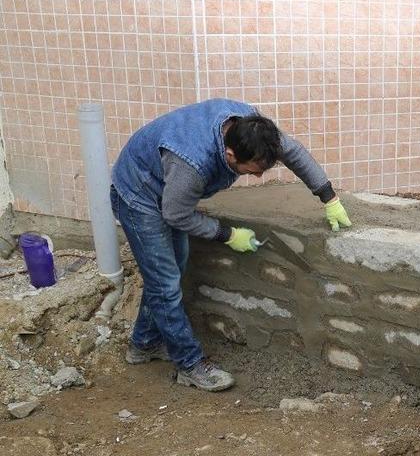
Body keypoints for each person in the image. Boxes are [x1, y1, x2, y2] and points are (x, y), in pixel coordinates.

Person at [110, 98, 352, 392]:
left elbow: (294, 152)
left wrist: (329, 197)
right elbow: (176, 215)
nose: (259, 176)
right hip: (140, 195)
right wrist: (226, 234)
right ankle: (189, 365)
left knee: (171, 271)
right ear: (229, 155)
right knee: (165, 283)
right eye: (252, 171)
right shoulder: (192, 163)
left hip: (170, 190)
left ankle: (143, 345)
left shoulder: (255, 131)